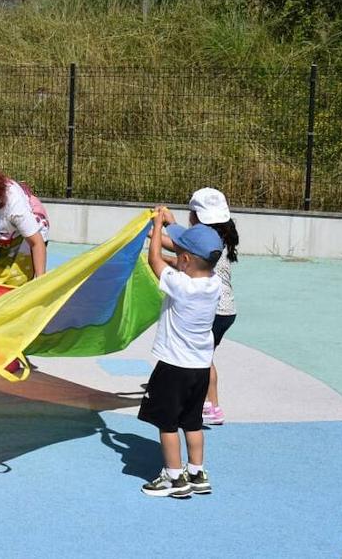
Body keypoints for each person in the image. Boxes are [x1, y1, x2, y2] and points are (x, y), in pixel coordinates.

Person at [138, 207, 223, 498]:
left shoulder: (180, 284)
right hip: (199, 368)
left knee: (167, 423)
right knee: (192, 422)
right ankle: (197, 473)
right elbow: (183, 258)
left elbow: (154, 260)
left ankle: (174, 478)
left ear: (185, 260)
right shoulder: (214, 283)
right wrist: (171, 226)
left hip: (173, 366)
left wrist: (158, 224)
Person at [162, 187, 239, 426]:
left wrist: (158, 235)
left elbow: (179, 250)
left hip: (214, 310)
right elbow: (182, 256)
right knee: (206, 357)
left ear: (196, 215)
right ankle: (210, 404)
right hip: (226, 310)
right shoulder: (219, 240)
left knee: (203, 359)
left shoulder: (208, 242)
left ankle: (210, 405)